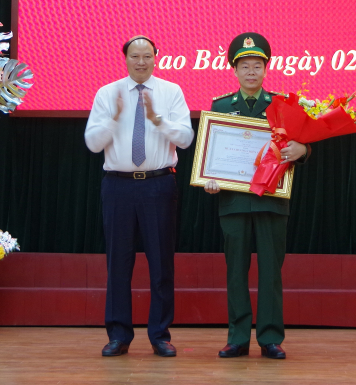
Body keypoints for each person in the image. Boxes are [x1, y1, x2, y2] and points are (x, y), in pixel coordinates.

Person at [84, 35, 194, 357]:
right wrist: (115, 118)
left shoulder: (171, 91)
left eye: (147, 55)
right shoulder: (108, 93)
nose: (141, 62)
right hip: (118, 186)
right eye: (135, 56)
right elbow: (92, 143)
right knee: (118, 263)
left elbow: (186, 139)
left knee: (161, 262)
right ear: (126, 58)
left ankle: (160, 335)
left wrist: (158, 120)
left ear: (156, 57)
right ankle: (118, 335)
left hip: (158, 185)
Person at [204, 32, 310, 360]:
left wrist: (303, 150)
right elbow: (211, 152)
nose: (251, 72)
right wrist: (210, 177)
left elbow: (300, 144)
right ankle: (237, 338)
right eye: (245, 66)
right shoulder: (221, 106)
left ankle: (270, 338)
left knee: (270, 272)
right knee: (235, 271)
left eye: (257, 66)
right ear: (234, 70)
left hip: (272, 200)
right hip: (234, 201)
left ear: (266, 69)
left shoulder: (282, 105)